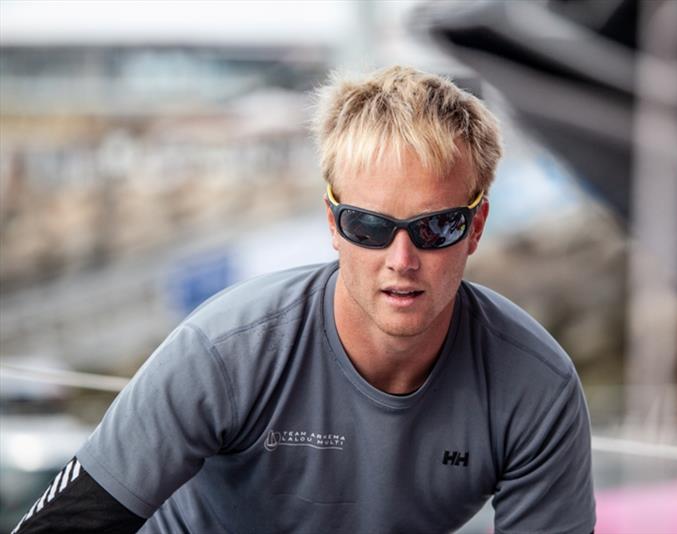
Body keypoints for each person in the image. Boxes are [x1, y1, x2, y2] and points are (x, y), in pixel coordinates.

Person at [13, 65, 596, 534]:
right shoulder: (224, 351)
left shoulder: (535, 386)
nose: (401, 259)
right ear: (333, 225)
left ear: (475, 227)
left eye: (435, 227)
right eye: (369, 226)